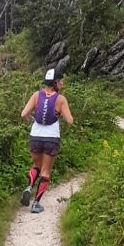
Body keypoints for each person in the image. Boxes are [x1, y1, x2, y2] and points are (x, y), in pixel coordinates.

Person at [20, 68, 74, 213]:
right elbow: (70, 121)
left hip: (35, 136)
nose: (62, 83)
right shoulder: (61, 99)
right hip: (51, 138)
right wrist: (62, 114)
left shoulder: (36, 95)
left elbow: (23, 114)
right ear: (55, 82)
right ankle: (36, 204)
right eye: (61, 80)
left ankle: (28, 186)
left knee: (36, 165)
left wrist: (32, 122)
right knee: (45, 171)